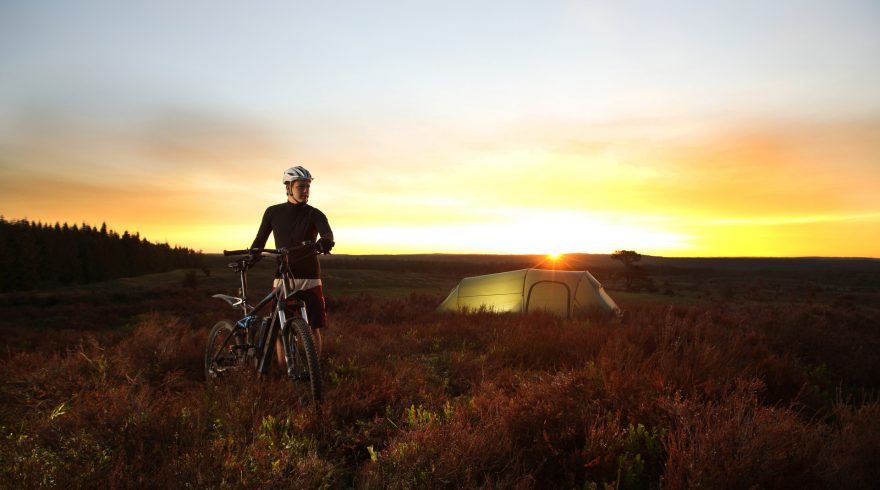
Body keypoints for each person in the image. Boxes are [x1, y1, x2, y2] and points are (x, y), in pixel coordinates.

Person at [250, 165, 334, 364]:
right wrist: (251, 257)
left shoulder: (315, 214)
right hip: (283, 278)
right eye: (301, 187)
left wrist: (326, 242)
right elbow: (259, 241)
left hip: (309, 278)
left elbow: (327, 233)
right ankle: (285, 370)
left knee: (313, 328)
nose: (306, 191)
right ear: (288, 187)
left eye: (308, 187)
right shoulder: (272, 212)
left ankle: (314, 371)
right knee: (280, 327)